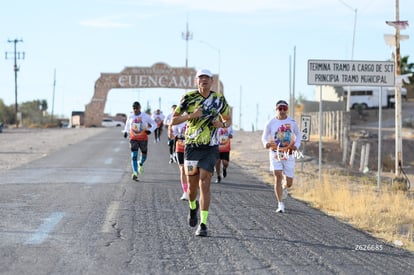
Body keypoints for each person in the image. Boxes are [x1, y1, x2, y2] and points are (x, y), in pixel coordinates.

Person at [171, 68, 232, 237]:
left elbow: (228, 120)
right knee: (192, 188)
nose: (204, 80)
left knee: (204, 182)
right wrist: (191, 116)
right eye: (201, 77)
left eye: (207, 78)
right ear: (196, 81)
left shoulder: (218, 99)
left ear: (212, 81)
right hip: (191, 146)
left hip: (210, 147)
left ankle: (203, 224)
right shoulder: (188, 98)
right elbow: (174, 120)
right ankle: (192, 208)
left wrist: (222, 125)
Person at [261, 100, 301, 213]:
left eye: (284, 108)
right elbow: (264, 136)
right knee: (277, 175)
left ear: (287, 109)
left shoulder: (292, 122)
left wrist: (296, 145)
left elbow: (298, 135)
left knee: (289, 182)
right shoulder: (270, 123)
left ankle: (285, 187)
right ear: (276, 109)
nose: (282, 111)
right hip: (275, 153)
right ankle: (280, 204)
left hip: (289, 154)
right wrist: (266, 144)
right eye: (280, 108)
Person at [123, 101, 157, 181]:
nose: (135, 110)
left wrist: (150, 130)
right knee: (134, 156)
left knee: (144, 156)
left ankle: (140, 163)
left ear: (140, 108)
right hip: (133, 138)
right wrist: (125, 131)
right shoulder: (130, 116)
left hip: (143, 139)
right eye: (134, 108)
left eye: (137, 108)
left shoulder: (145, 116)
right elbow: (127, 125)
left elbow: (154, 124)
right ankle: (135, 172)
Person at [168, 120, 188, 200]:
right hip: (180, 147)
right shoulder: (180, 120)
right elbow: (172, 135)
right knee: (183, 170)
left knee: (191, 171)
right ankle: (185, 192)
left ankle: (191, 188)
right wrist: (170, 131)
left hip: (192, 149)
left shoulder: (195, 118)